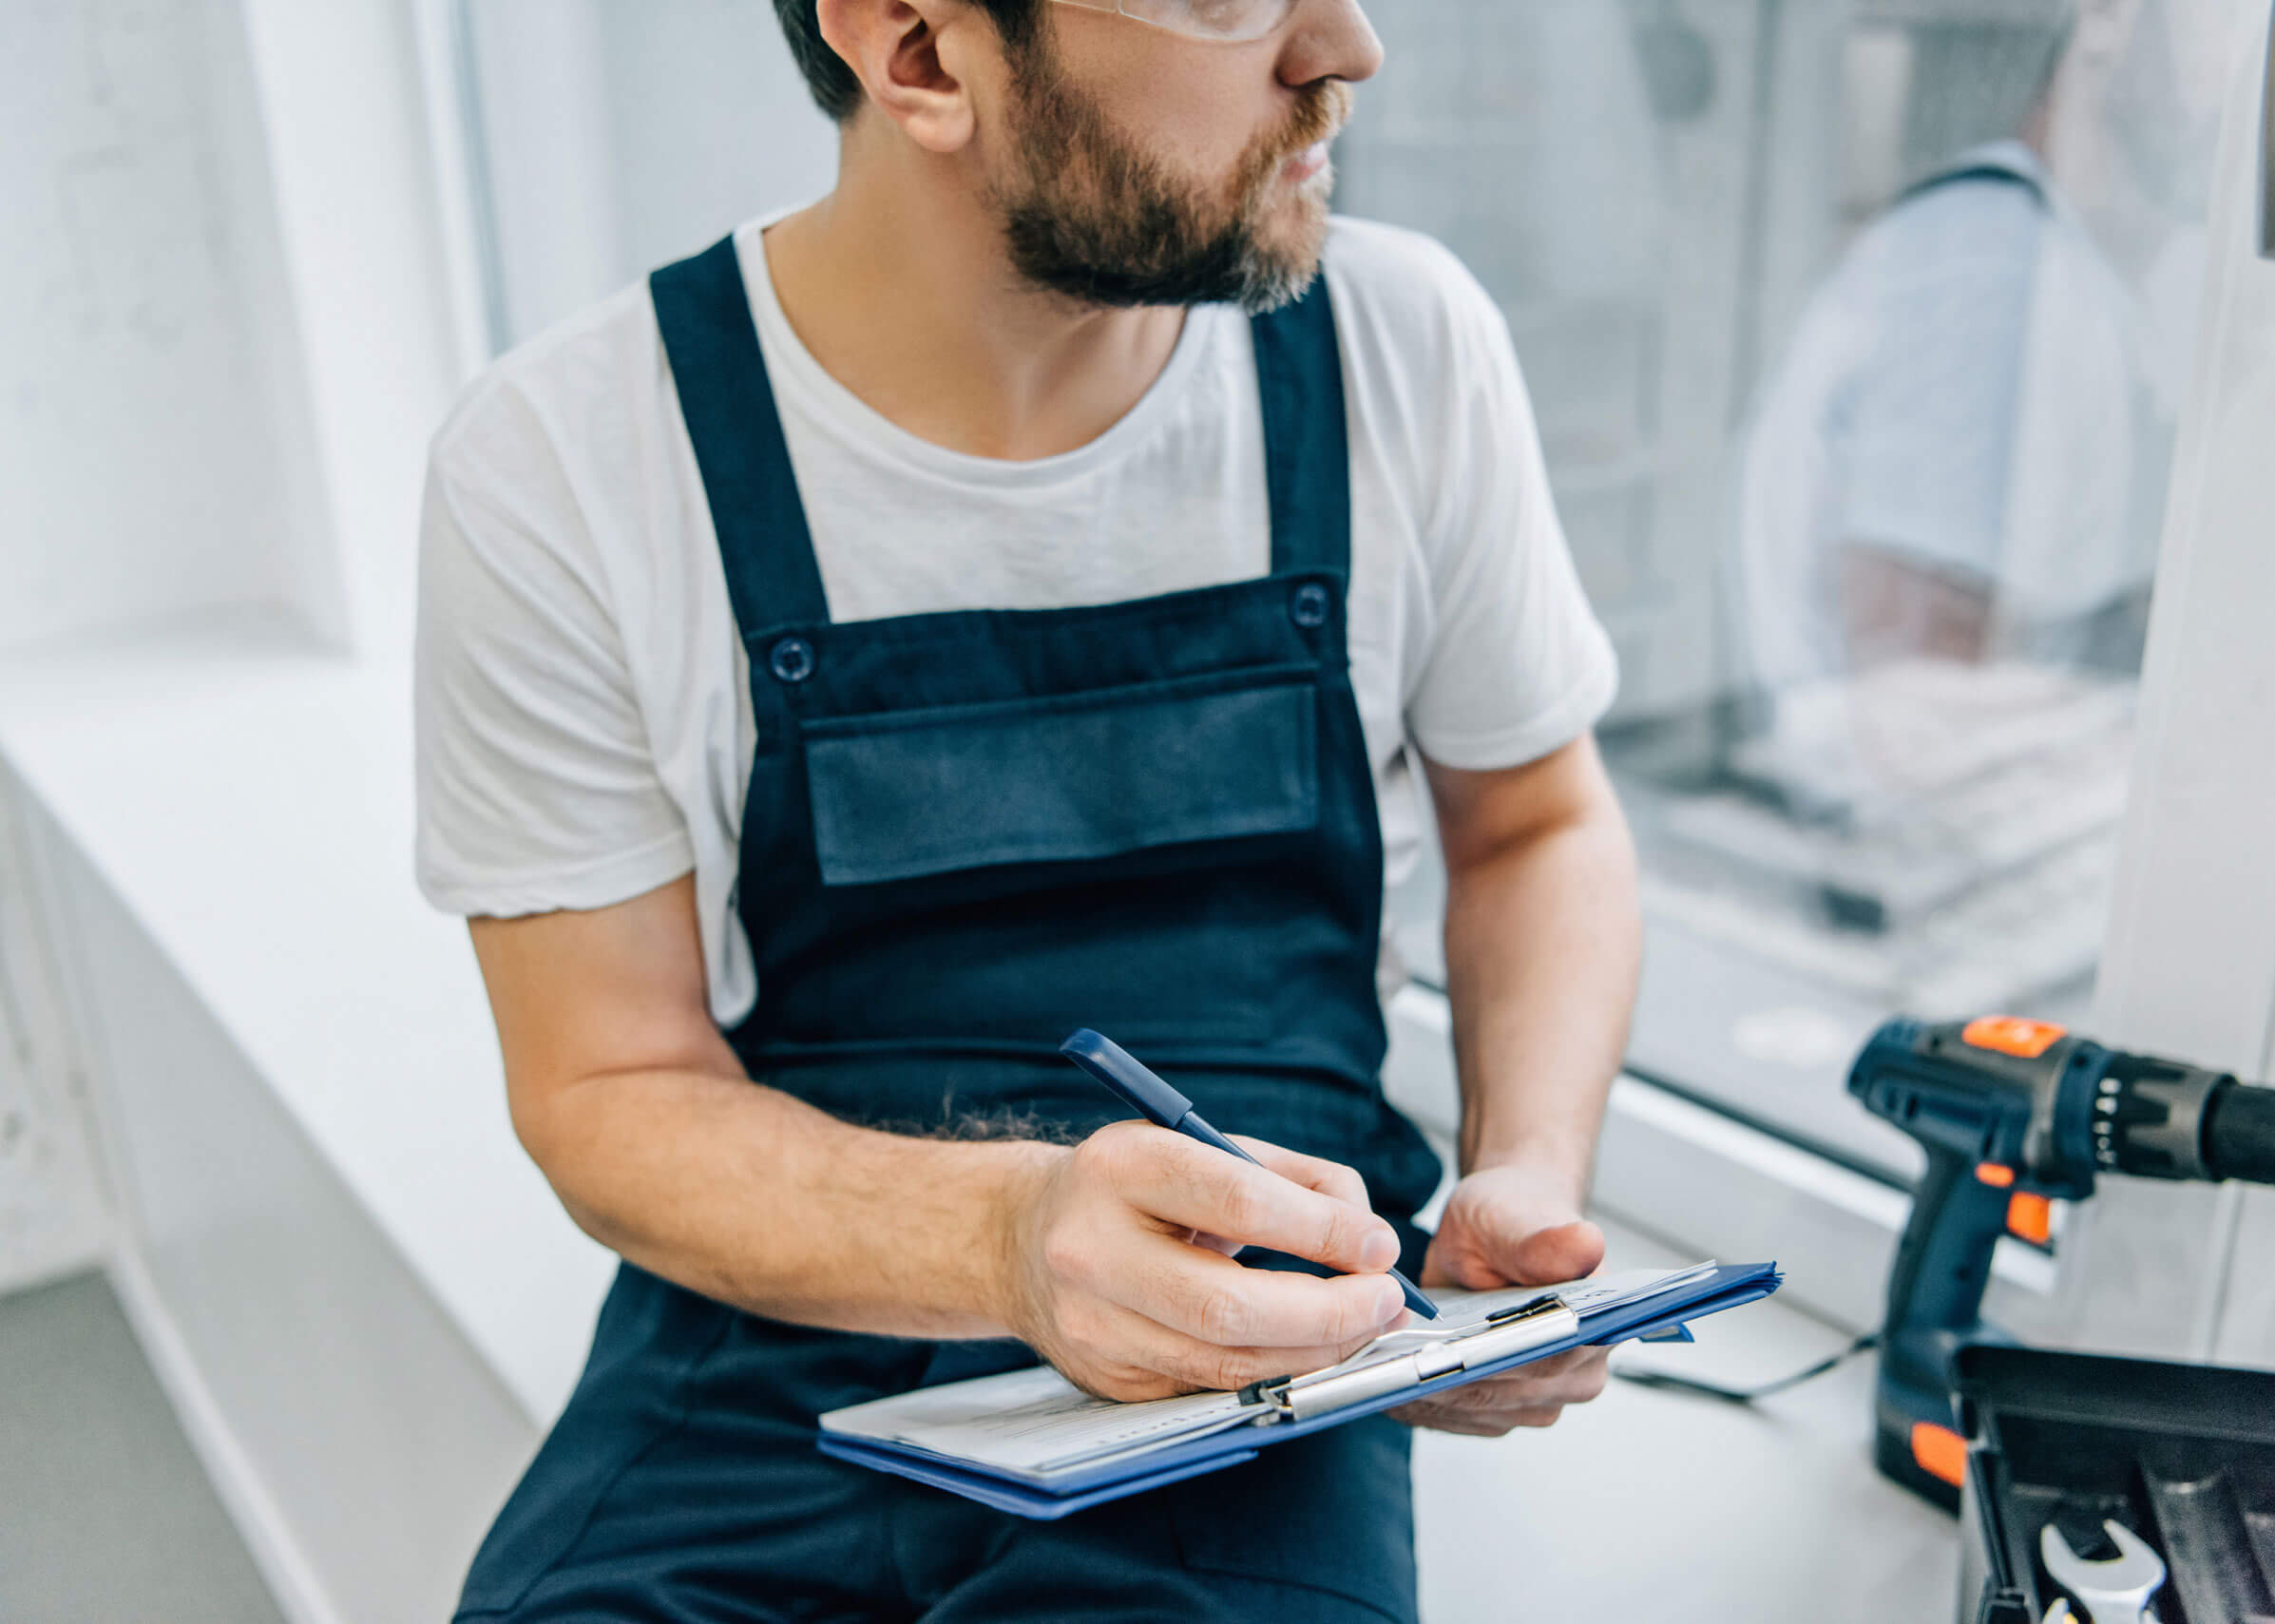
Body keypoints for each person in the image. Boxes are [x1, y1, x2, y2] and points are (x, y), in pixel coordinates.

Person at [413, 0, 1641, 1618]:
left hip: (1259, 1351)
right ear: (922, 51)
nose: (1345, 46)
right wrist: (1008, 1238)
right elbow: (607, 1084)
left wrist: (1524, 1167)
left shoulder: (1396, 347)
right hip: (768, 1341)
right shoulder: (563, 459)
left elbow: (1534, 827)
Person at [1735, 0, 2175, 696]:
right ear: (2108, 27)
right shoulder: (1992, 270)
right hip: (1890, 789)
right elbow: (1910, 692)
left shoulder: (2055, 262)